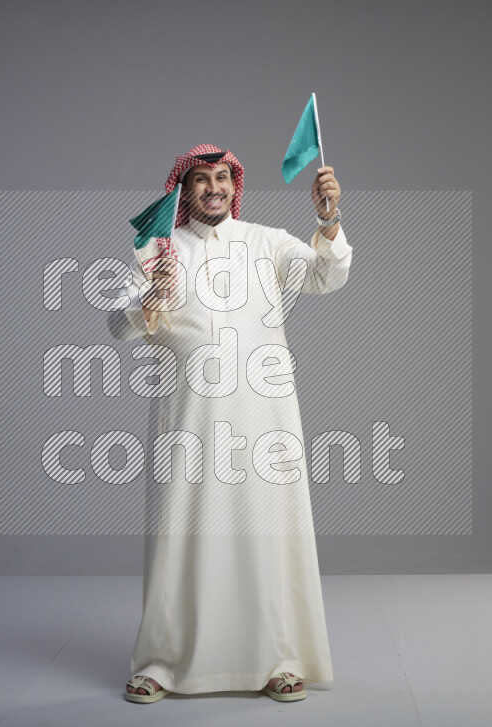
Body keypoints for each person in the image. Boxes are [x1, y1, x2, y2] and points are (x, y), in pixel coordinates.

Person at [107, 144, 352, 703]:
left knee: (263, 533)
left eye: (222, 178)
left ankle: (276, 659)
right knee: (181, 536)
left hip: (264, 418)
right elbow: (117, 326)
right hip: (187, 419)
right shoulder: (159, 250)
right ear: (182, 189)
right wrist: (151, 299)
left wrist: (328, 219)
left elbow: (322, 276)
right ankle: (161, 663)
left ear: (234, 186)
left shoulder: (264, 241)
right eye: (201, 179)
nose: (213, 188)